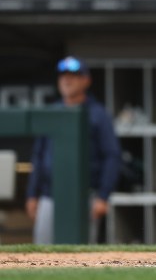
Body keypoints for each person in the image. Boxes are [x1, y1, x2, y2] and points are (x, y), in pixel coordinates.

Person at [26, 56, 122, 244]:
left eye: (73, 75)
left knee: (81, 253)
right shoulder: (52, 112)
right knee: (42, 254)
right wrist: (32, 194)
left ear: (85, 80)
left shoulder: (97, 114)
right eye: (63, 76)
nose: (67, 80)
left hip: (85, 195)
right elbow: (38, 156)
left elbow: (112, 155)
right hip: (49, 195)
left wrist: (103, 195)